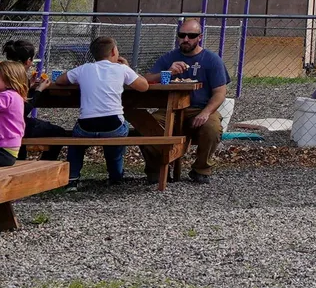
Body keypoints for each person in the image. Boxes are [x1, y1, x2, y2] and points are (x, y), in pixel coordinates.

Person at [147, 17, 230, 185]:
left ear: (200, 37)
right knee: (148, 125)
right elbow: (147, 79)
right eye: (182, 35)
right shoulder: (169, 58)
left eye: (191, 35)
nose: (186, 39)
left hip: (199, 108)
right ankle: (156, 169)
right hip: (170, 108)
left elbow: (220, 92)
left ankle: (201, 169)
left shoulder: (212, 60)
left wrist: (206, 113)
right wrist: (168, 72)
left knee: (212, 128)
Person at [65, 37, 148, 188]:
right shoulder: (121, 69)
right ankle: (115, 176)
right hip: (113, 125)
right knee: (117, 138)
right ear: (113, 51)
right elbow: (144, 86)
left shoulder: (84, 69)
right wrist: (129, 68)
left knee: (76, 142)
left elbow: (61, 80)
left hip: (86, 126)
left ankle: (72, 178)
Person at [3, 39, 66, 159]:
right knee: (60, 132)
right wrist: (39, 90)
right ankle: (45, 165)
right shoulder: (14, 79)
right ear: (28, 61)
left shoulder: (6, 74)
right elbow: (22, 110)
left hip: (8, 124)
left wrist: (28, 85)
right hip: (12, 125)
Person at [0, 59, 27, 166]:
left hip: (3, 151)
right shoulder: (16, 96)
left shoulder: (6, 97)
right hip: (9, 151)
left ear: (9, 81)